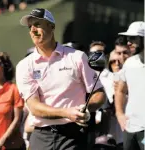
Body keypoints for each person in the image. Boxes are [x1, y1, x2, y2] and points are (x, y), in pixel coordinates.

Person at [16, 8, 105, 150]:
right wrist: (67, 113)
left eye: (37, 24)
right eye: (30, 26)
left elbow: (99, 94)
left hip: (73, 135)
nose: (33, 30)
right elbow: (34, 107)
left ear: (51, 26)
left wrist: (87, 108)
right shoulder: (24, 66)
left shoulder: (77, 57)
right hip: (41, 135)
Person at [115, 21, 145, 150]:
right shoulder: (129, 63)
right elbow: (120, 90)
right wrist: (120, 114)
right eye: (128, 38)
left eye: (133, 38)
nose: (128, 42)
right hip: (130, 128)